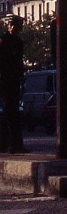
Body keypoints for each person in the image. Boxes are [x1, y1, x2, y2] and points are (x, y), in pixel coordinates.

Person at [0, 15, 28, 154]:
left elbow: (18, 62)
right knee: (9, 112)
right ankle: (11, 143)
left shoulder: (18, 42)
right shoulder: (3, 40)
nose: (12, 28)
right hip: (4, 80)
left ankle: (12, 144)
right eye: (11, 25)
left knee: (12, 113)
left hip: (13, 80)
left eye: (15, 26)